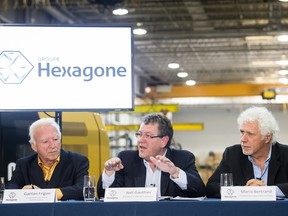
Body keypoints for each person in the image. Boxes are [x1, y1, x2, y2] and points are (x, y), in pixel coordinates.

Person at [97, 113, 205, 199]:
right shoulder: (126, 159)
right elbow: (103, 195)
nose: (140, 140)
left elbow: (199, 192)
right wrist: (109, 173)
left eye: (148, 136)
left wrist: (175, 172)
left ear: (163, 141)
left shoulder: (183, 158)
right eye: (139, 134)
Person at [206, 106, 288, 198]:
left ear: (267, 138)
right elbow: (211, 187)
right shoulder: (232, 154)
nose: (243, 139)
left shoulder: (285, 154)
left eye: (250, 134)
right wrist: (244, 191)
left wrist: (267, 191)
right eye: (242, 132)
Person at [6, 118, 89, 201]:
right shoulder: (24, 164)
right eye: (45, 141)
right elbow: (11, 188)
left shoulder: (78, 161)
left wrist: (43, 194)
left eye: (55, 139)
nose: (52, 145)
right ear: (34, 146)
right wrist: (23, 192)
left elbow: (83, 188)